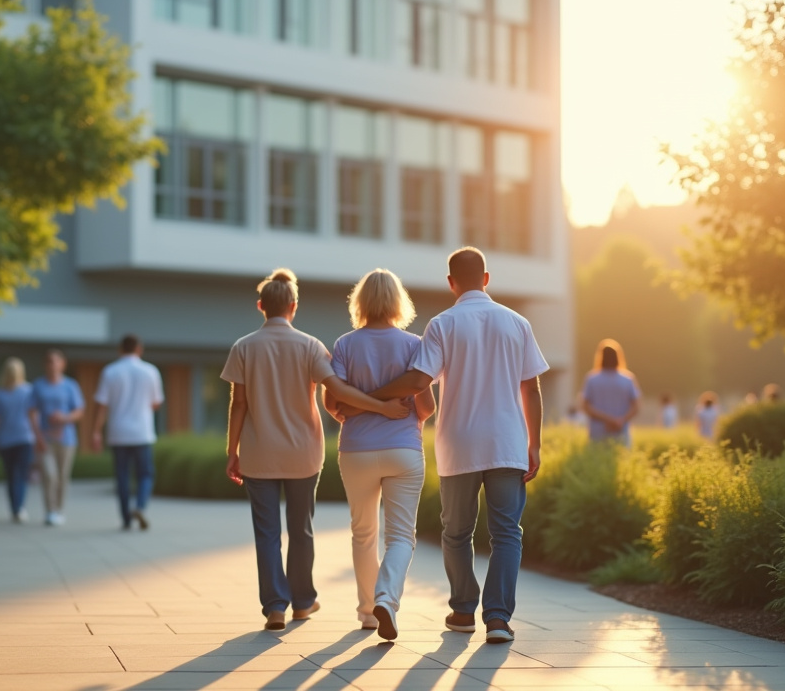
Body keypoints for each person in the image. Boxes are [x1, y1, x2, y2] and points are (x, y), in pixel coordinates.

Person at [367, 248, 548, 645]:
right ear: (486, 278)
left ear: (451, 283)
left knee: (456, 533)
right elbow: (531, 388)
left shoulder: (442, 324)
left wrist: (373, 395)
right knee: (507, 533)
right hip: (507, 443)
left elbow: (418, 382)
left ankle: (463, 609)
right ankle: (498, 619)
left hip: (459, 444)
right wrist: (534, 444)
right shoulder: (517, 323)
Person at [221, 268, 410, 633]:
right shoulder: (310, 346)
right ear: (293, 306)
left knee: (266, 533)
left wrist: (233, 450)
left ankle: (275, 606)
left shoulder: (243, 347)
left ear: (261, 306)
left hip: (258, 453)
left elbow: (238, 404)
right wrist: (382, 407)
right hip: (303, 453)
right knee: (301, 528)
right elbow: (338, 391)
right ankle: (303, 601)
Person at [323, 269, 437, 640]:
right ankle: (386, 598)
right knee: (401, 536)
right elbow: (427, 405)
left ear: (360, 301)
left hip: (356, 449)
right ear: (398, 301)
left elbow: (332, 400)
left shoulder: (344, 344)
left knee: (363, 534)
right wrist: (401, 410)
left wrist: (355, 411)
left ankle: (368, 613)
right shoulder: (413, 344)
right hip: (403, 448)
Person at [92, 335, 165, 531]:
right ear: (139, 349)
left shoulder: (110, 371)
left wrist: (96, 432)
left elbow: (101, 405)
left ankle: (126, 519)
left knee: (122, 476)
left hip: (118, 432)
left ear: (120, 349)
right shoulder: (151, 371)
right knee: (145, 474)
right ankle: (140, 506)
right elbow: (156, 403)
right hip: (142, 432)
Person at [32, 349, 86, 527]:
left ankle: (60, 510)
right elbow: (31, 413)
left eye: (55, 361)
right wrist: (37, 436)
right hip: (45, 438)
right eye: (48, 361)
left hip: (67, 439)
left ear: (62, 364)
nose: (52, 365)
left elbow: (79, 411)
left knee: (62, 476)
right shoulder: (38, 386)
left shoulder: (70, 386)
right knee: (49, 475)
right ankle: (50, 511)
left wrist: (64, 417)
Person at [0, 357, 41, 523]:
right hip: (24, 437)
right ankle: (19, 508)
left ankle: (15, 507)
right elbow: (35, 416)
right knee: (21, 475)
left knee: (11, 476)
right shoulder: (28, 390)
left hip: (6, 440)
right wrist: (38, 436)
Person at [579, 340, 640, 447]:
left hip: (597, 434)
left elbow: (585, 406)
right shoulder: (628, 379)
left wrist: (607, 420)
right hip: (621, 432)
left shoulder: (592, 379)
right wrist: (620, 421)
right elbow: (636, 406)